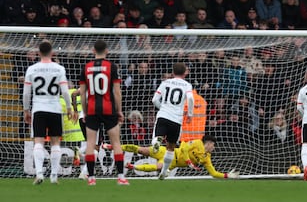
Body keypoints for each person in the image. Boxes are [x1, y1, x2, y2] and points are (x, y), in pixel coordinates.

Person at [23, 40, 74, 185]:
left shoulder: (32, 69)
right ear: (52, 52)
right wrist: (69, 108)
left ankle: (39, 173)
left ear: (38, 52)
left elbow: (27, 93)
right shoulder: (59, 69)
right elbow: (64, 91)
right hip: (55, 109)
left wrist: (26, 110)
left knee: (38, 141)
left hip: (38, 109)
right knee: (55, 142)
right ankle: (53, 176)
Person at [79, 40, 128, 185]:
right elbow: (117, 91)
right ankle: (121, 177)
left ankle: (92, 178)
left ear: (93, 50)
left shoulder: (86, 67)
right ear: (107, 51)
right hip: (108, 108)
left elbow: (82, 93)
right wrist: (119, 110)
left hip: (92, 109)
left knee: (90, 144)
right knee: (116, 143)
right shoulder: (111, 66)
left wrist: (85, 111)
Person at [113, 135, 239, 179]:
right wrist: (189, 161)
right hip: (169, 152)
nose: (214, 148)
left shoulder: (207, 158)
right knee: (142, 150)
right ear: (209, 143)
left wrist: (226, 175)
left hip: (173, 164)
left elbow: (213, 173)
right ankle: (114, 147)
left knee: (158, 167)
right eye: (213, 145)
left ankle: (132, 166)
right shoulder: (197, 143)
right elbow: (184, 146)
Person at [151, 62, 195, 180]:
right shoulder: (187, 85)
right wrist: (190, 114)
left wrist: (163, 108)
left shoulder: (165, 83)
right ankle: (164, 172)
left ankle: (157, 141)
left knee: (157, 138)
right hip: (177, 119)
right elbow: (190, 98)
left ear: (173, 72)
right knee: (170, 147)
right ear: (185, 73)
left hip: (163, 115)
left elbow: (154, 99)